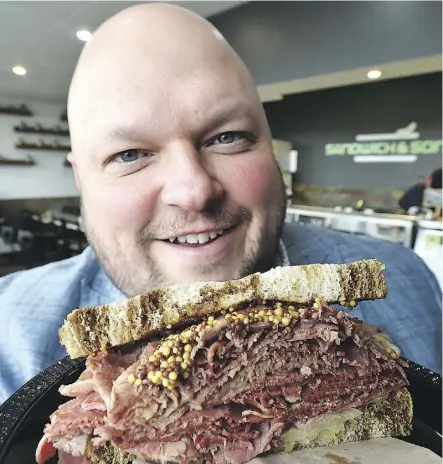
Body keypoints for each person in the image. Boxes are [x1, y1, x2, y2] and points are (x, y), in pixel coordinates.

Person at [0, 4, 441, 403]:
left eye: (227, 137)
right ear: (80, 178)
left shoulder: (405, 278)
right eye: (130, 155)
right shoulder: (11, 337)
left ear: (269, 146)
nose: (194, 190)